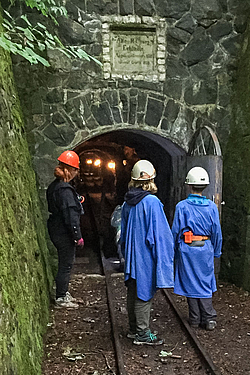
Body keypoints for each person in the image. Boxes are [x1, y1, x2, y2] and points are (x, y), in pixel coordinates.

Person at [120, 160, 174, 345]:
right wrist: (165, 258)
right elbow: (161, 235)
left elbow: (123, 233)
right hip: (146, 255)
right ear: (151, 180)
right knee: (145, 292)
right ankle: (143, 334)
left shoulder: (128, 202)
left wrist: (125, 253)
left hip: (132, 255)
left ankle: (133, 329)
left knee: (133, 290)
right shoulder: (152, 202)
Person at [172, 167, 222, 331]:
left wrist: (173, 251)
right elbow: (217, 233)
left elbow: (175, 231)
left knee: (190, 282)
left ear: (188, 185)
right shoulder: (211, 207)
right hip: (205, 247)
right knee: (205, 282)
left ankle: (194, 318)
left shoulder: (182, 206)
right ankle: (208, 318)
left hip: (187, 248)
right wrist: (216, 251)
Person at [46, 150, 84, 308]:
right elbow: (70, 216)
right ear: (70, 170)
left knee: (65, 263)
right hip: (63, 232)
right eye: (76, 170)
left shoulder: (55, 186)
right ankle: (61, 297)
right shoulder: (65, 190)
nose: (76, 173)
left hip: (55, 227)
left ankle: (63, 292)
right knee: (66, 264)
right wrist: (77, 236)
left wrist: (76, 200)